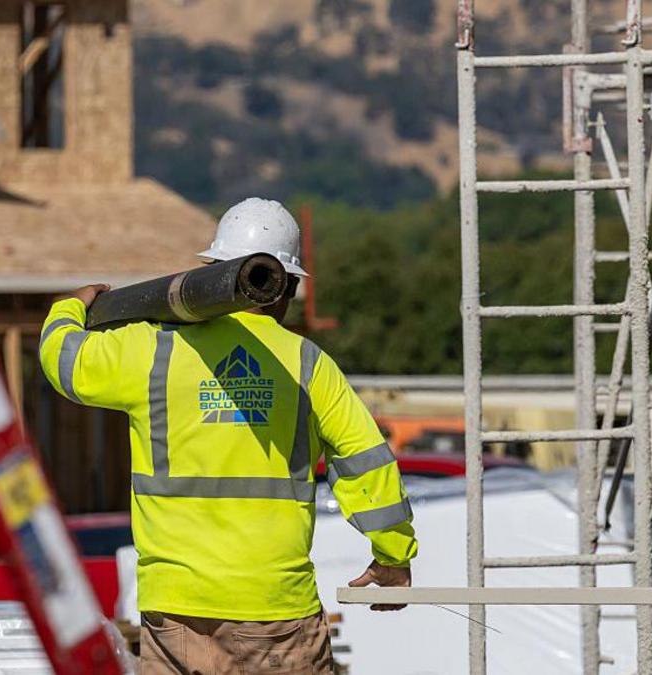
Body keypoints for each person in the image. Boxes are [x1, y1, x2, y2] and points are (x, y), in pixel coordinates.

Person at [39, 197, 417, 674]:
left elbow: (64, 362)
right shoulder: (307, 365)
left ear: (213, 272)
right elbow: (367, 462)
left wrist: (66, 310)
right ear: (290, 288)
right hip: (276, 614)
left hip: (176, 614)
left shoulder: (151, 351)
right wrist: (392, 556)